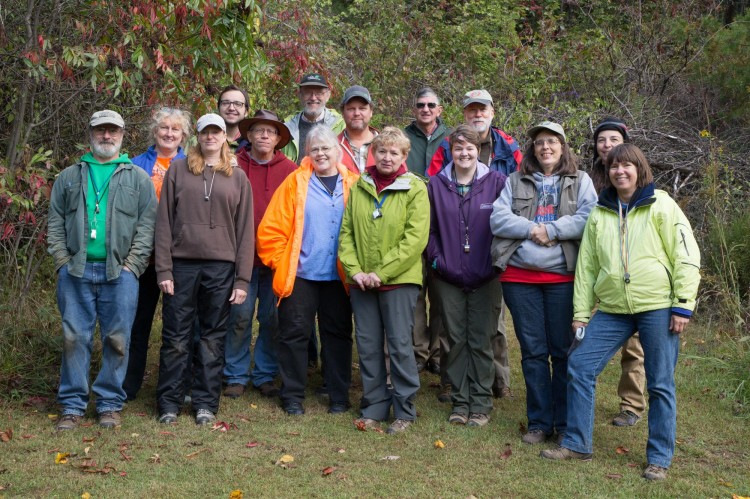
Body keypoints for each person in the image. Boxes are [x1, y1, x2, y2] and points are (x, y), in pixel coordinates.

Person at [541, 144, 701, 482]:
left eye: (627, 165)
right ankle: (577, 443)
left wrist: (683, 304)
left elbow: (686, 255)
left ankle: (658, 458)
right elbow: (587, 265)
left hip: (657, 305)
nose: (620, 171)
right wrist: (582, 313)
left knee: (659, 382)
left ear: (639, 169)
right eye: (614, 166)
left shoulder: (662, 205)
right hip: (613, 308)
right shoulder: (601, 211)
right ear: (608, 172)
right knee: (580, 365)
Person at [48, 110, 157, 430]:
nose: (106, 136)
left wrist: (132, 266)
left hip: (119, 274)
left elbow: (147, 226)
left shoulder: (137, 177)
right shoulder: (69, 176)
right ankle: (72, 406)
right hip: (76, 271)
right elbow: (55, 222)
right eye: (100, 131)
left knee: (118, 340)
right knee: (73, 338)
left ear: (123, 134)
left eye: (113, 131)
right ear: (91, 133)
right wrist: (62, 262)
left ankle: (109, 404)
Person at [490, 121, 597, 444]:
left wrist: (551, 230)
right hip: (520, 278)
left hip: (563, 277)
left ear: (563, 147)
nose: (545, 147)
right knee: (533, 351)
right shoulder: (514, 180)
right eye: (539, 143)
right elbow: (498, 217)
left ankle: (564, 423)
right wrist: (532, 229)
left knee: (563, 351)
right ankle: (539, 422)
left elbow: (588, 217)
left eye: (552, 142)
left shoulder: (580, 181)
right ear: (533, 149)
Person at [155, 113, 254, 425]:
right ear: (196, 136)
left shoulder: (237, 177)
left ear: (225, 136)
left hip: (220, 268)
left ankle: (205, 403)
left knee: (211, 337)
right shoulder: (178, 170)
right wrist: (163, 270)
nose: (210, 137)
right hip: (181, 265)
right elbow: (164, 224)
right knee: (175, 336)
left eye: (216, 132)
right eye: (205, 132)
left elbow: (245, 231)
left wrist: (242, 279)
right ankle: (169, 402)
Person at [256, 125, 358, 416]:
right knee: (293, 334)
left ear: (337, 151)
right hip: (300, 273)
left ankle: (338, 395)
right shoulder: (295, 182)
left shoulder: (353, 183)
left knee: (337, 334)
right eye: (315, 149)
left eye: (326, 148)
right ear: (308, 153)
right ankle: (292, 396)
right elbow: (271, 230)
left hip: (338, 275)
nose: (321, 154)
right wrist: (281, 261)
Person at [429, 89, 522, 401]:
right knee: (451, 327)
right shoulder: (445, 153)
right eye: (472, 110)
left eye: (483, 109)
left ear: (492, 112)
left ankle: (496, 382)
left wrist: (500, 258)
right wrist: (436, 259)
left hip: (488, 264)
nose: (477, 114)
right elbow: (432, 212)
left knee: (491, 327)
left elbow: (517, 201)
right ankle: (452, 383)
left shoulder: (508, 150)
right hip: (450, 263)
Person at [338, 127, 430, 434]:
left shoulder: (415, 188)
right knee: (368, 345)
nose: (387, 157)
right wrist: (357, 272)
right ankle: (374, 405)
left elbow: (415, 239)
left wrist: (382, 272)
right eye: (382, 152)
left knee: (401, 346)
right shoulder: (361, 186)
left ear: (404, 156)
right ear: (372, 154)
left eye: (394, 152)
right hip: (362, 283)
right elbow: (347, 234)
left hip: (398, 281)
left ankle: (404, 409)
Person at [425, 125, 506, 427]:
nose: (464, 153)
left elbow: (506, 226)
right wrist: (436, 260)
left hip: (487, 275)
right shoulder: (436, 185)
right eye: (458, 148)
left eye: (470, 147)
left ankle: (481, 402)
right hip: (448, 276)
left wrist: (496, 262)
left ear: (479, 149)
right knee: (455, 339)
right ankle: (460, 401)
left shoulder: (497, 182)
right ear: (451, 151)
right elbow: (428, 229)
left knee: (482, 338)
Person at [222, 110, 297, 399]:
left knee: (272, 318)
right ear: (249, 135)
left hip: (276, 259)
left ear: (279, 138)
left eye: (271, 131)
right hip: (240, 257)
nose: (264, 136)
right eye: (259, 130)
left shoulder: (290, 170)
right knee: (238, 317)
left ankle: (265, 374)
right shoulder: (232, 166)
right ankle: (235, 375)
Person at [123, 107, 191, 401]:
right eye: (164, 128)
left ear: (184, 136)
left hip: (180, 258)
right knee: (137, 324)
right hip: (142, 258)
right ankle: (127, 385)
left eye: (175, 129)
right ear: (155, 131)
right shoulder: (135, 165)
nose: (169, 133)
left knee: (181, 327)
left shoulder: (193, 165)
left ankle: (179, 386)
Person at [590, 117, 646, 427]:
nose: (607, 145)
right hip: (597, 270)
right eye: (602, 140)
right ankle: (581, 393)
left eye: (613, 139)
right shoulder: (590, 178)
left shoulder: (635, 176)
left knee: (633, 345)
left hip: (632, 276)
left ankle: (631, 404)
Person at [403, 87, 450, 377]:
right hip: (410, 220)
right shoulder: (404, 137)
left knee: (442, 290)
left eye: (431, 104)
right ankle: (419, 350)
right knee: (415, 289)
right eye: (420, 104)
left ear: (440, 109)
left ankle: (438, 351)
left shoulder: (451, 138)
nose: (426, 109)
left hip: (444, 223)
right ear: (414, 108)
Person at [282, 73, 345, 164]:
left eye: (319, 93)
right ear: (300, 95)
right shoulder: (286, 127)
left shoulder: (341, 125)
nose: (313, 98)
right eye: (307, 92)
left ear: (327, 95)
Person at [338, 85, 377, 174]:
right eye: (351, 109)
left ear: (371, 112)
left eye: (362, 108)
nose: (356, 113)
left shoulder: (388, 145)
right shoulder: (332, 147)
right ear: (343, 113)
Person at [217, 85, 250, 151]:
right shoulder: (206, 140)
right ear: (218, 109)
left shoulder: (253, 144)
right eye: (225, 103)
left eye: (238, 104)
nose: (231, 108)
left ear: (246, 111)